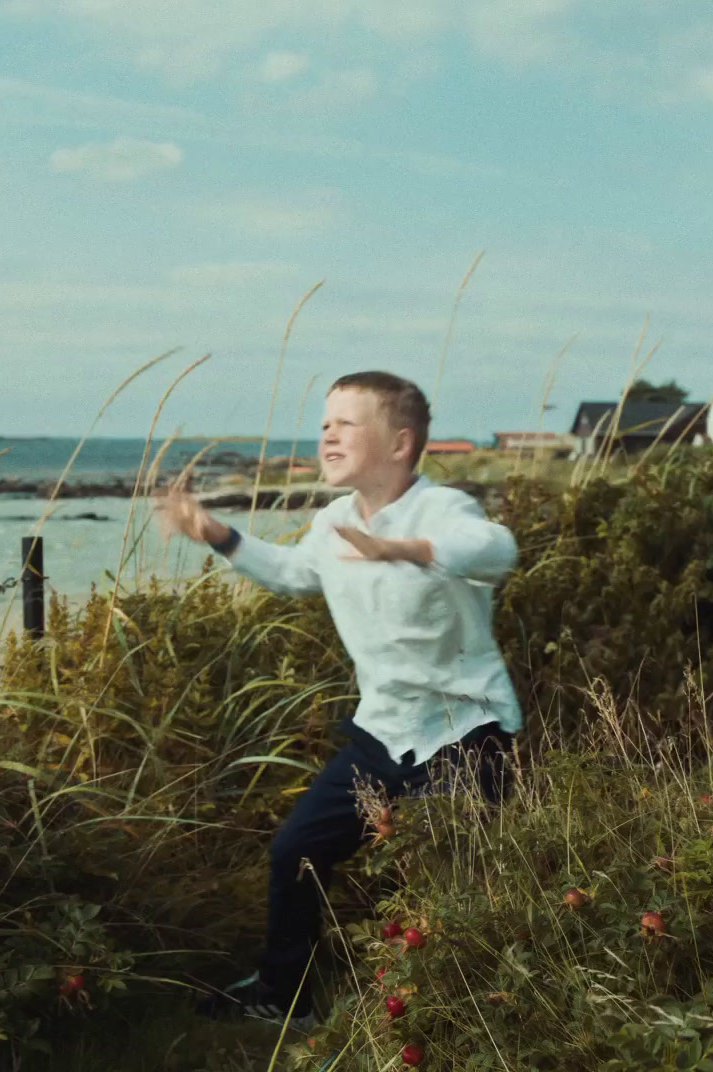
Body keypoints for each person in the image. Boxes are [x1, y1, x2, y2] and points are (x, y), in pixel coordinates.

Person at [157, 370, 521, 1026]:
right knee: (295, 851)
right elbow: (296, 574)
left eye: (347, 422)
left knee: (451, 880)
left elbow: (497, 549)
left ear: (400, 444)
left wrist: (403, 549)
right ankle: (282, 996)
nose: (328, 432)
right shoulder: (332, 522)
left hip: (467, 733)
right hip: (383, 734)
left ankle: (462, 1014)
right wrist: (219, 535)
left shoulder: (444, 511)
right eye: (325, 422)